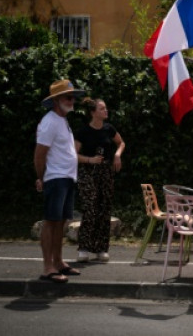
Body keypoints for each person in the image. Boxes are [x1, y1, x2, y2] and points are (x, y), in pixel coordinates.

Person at [33, 79, 86, 284]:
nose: (72, 100)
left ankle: (58, 261)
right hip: (55, 178)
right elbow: (39, 154)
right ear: (56, 100)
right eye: (68, 97)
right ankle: (48, 267)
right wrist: (41, 177)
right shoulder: (49, 122)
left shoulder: (62, 120)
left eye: (72, 97)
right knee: (51, 221)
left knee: (61, 222)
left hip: (66, 178)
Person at [74, 97, 125, 263]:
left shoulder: (109, 129)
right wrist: (90, 160)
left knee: (104, 209)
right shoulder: (82, 132)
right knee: (90, 207)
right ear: (93, 112)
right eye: (102, 109)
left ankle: (101, 248)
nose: (106, 111)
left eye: (106, 108)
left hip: (105, 172)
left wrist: (117, 155)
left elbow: (121, 143)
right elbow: (73, 155)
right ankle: (83, 248)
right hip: (87, 172)